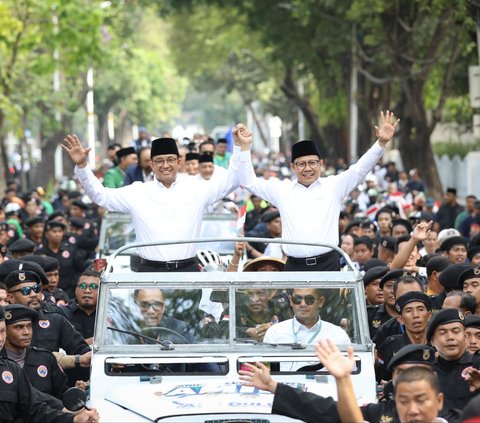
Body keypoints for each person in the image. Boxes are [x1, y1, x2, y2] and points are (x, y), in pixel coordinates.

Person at [233, 110, 399, 271]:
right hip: (294, 266)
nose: (307, 168)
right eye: (301, 164)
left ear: (320, 164)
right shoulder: (282, 190)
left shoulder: (333, 186)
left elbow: (359, 170)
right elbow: (249, 181)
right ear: (293, 167)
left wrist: (381, 143)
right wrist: (244, 147)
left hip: (328, 264)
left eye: (312, 162)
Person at [63, 134, 246, 272]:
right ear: (151, 164)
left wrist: (239, 147)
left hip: (188, 272)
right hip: (148, 273)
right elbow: (100, 195)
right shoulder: (138, 192)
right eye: (159, 161)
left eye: (170, 160)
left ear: (179, 162)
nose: (165, 165)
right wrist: (82, 166)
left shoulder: (197, 188)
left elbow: (231, 182)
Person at [239, 342, 453, 423]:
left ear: (439, 399)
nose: (413, 409)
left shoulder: (458, 417)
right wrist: (274, 387)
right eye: (405, 400)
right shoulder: (378, 413)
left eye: (421, 399)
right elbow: (329, 411)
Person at [0, 306, 100, 422]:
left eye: (2, 331)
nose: (1, 338)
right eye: (19, 327)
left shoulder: (11, 368)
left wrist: (73, 419)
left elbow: (36, 410)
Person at [263, 288, 350, 370]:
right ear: (290, 301)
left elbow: (349, 373)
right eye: (297, 299)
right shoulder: (275, 332)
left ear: (320, 302)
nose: (303, 304)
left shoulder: (338, 335)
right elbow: (266, 370)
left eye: (309, 299)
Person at [1, 304, 68, 402]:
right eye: (19, 327)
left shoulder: (45, 358)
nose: (26, 332)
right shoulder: (2, 361)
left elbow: (62, 394)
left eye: (29, 326)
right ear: (5, 331)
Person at [427, 307, 480, 409]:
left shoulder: (477, 366)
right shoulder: (426, 372)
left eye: (456, 331)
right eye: (442, 332)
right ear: (432, 341)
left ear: (465, 337)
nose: (450, 337)